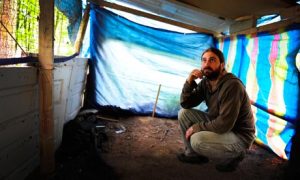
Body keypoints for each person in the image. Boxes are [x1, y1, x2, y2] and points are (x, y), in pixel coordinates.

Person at [177, 47, 255, 172]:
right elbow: (186, 103)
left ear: (222, 65)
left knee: (197, 140)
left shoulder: (232, 85)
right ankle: (194, 156)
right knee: (183, 114)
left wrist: (196, 127)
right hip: (220, 122)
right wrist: (189, 81)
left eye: (212, 60)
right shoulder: (206, 82)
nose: (206, 64)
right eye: (204, 60)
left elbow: (225, 124)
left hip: (238, 134)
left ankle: (237, 153)